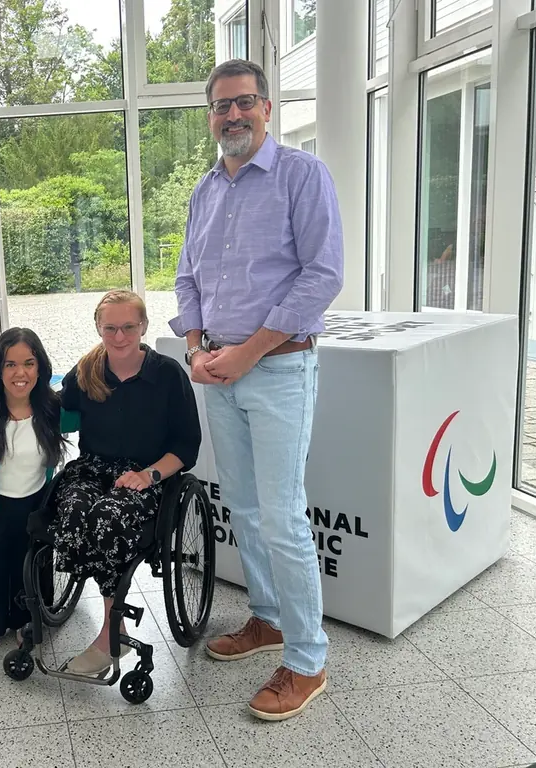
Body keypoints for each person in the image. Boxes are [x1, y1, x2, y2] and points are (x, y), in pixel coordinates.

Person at [171, 58, 344, 721]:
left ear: (267, 109)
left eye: (244, 102)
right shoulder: (204, 190)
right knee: (243, 507)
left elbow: (322, 275)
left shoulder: (303, 175)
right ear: (210, 117)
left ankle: (307, 660)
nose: (233, 114)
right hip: (219, 373)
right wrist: (196, 348)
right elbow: (187, 278)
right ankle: (267, 619)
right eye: (221, 106)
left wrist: (247, 352)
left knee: (282, 517)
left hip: (277, 371)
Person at [54, 289, 201, 676]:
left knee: (108, 517)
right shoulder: (87, 370)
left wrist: (148, 475)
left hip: (147, 473)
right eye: (110, 328)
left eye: (129, 327)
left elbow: (186, 445)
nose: (119, 337)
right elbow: (52, 408)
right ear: (98, 328)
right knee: (71, 510)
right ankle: (113, 626)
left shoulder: (167, 374)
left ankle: (109, 635)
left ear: (144, 326)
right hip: (92, 468)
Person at [0, 327, 76, 658]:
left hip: (34, 505)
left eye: (28, 363)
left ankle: (25, 620)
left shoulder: (52, 413)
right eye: (10, 364)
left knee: (29, 566)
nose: (19, 373)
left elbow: (88, 416)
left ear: (40, 368)